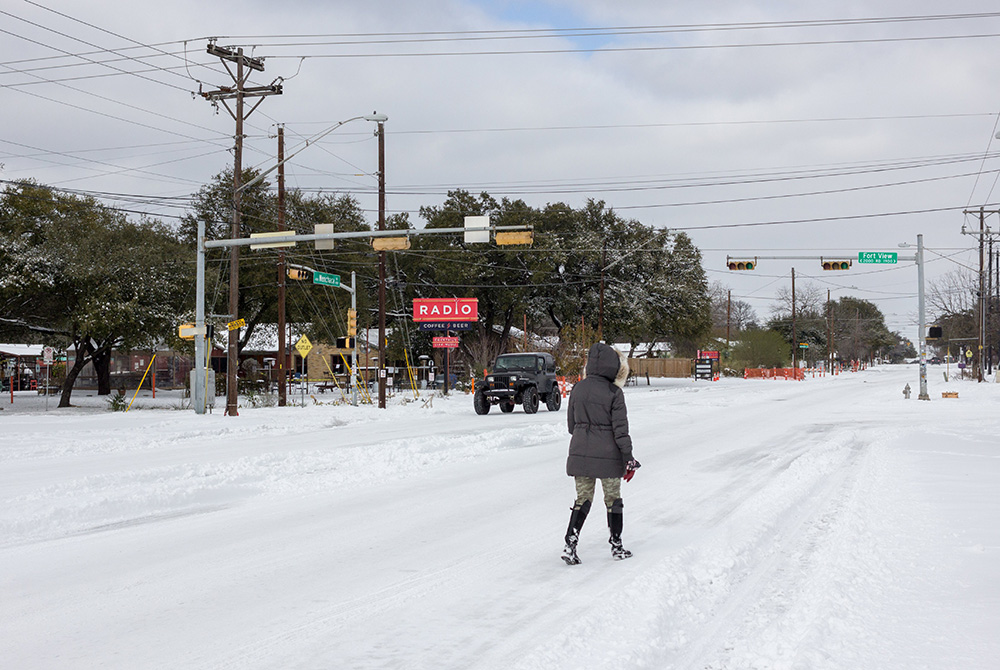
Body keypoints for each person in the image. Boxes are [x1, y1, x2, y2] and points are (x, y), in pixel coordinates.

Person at [562, 342, 640, 565]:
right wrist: (629, 458)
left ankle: (570, 544)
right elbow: (620, 430)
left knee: (582, 499)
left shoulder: (578, 388)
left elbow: (571, 426)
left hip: (580, 453)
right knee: (613, 499)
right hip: (609, 457)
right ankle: (617, 546)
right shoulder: (614, 392)